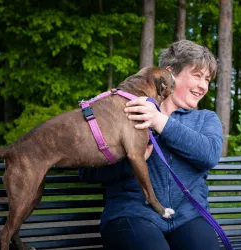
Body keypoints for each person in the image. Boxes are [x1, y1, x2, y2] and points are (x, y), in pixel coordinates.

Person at [79, 40, 223, 250]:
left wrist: (160, 122)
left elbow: (209, 155)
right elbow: (87, 172)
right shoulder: (126, 111)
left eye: (208, 79)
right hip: (132, 214)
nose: (203, 86)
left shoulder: (206, 119)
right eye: (197, 76)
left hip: (188, 216)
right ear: (170, 74)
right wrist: (130, 163)